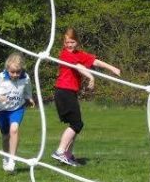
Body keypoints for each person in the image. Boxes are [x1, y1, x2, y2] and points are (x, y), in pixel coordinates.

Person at [52, 27, 121, 166]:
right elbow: (78, 67)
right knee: (77, 124)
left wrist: (112, 68)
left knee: (76, 125)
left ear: (77, 42)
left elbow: (94, 61)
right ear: (63, 44)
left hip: (70, 92)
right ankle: (60, 151)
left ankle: (68, 155)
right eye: (67, 42)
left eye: (72, 42)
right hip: (63, 92)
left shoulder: (78, 53)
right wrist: (91, 77)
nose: (69, 45)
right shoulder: (65, 54)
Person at [0, 52, 35, 173]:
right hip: (2, 110)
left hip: (17, 109)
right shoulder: (0, 78)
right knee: (5, 136)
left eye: (18, 72)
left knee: (14, 130)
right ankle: (5, 157)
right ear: (7, 69)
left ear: (21, 70)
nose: (15, 75)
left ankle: (12, 160)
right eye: (12, 72)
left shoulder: (25, 78)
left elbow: (27, 89)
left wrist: (29, 98)